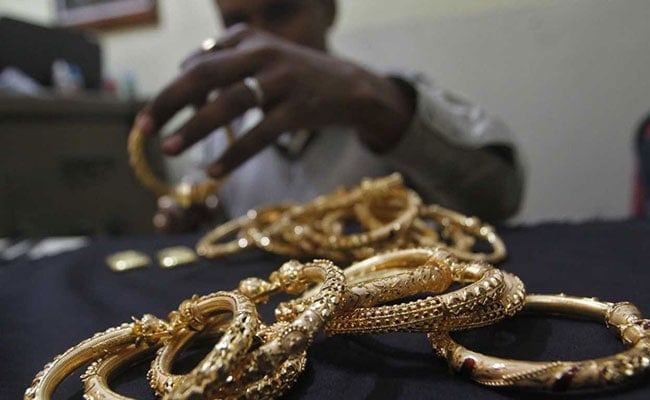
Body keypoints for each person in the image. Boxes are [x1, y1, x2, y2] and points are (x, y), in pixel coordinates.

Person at [137, 0, 524, 223]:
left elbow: (501, 197)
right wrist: (196, 211)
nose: (259, 40)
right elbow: (210, 197)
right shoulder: (228, 126)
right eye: (237, 22)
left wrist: (382, 110)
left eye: (281, 12)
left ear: (328, 10)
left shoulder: (394, 98)